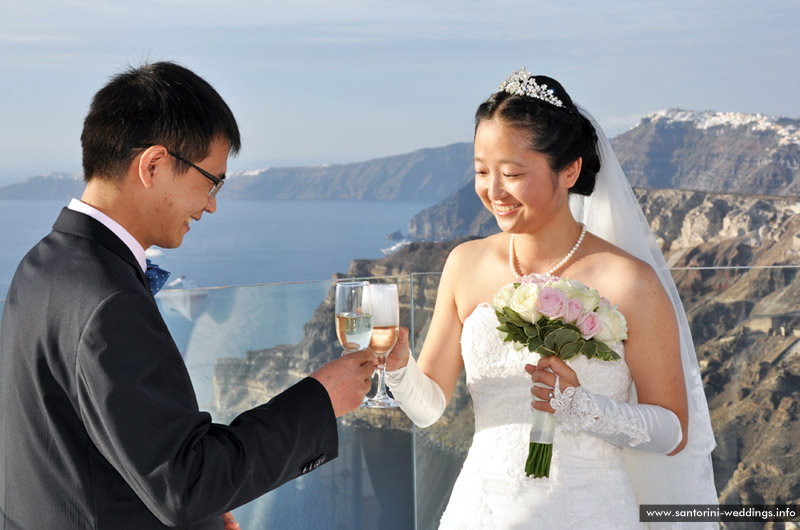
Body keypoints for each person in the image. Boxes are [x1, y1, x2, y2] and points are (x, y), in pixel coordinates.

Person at [0, 61, 374, 529]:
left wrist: (207, 519)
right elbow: (185, 484)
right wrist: (322, 398)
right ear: (153, 165)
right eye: (211, 180)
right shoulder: (109, 300)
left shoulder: (41, 266)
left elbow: (72, 456)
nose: (212, 202)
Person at [384, 68, 718, 529]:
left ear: (570, 171)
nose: (493, 191)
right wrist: (398, 368)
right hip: (479, 512)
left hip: (588, 512)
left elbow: (674, 433)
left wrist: (582, 406)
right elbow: (429, 409)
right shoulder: (464, 264)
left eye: (513, 173)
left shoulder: (631, 282)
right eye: (482, 171)